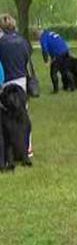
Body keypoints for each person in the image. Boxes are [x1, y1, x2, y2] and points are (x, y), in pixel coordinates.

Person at [0, 14, 33, 156]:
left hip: (6, 80)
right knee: (23, 115)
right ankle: (27, 146)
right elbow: (27, 57)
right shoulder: (22, 41)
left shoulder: (1, 42)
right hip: (21, 79)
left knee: (6, 117)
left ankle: (8, 148)